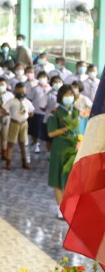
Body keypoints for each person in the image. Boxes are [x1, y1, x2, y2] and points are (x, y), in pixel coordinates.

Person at [46, 85, 80, 219]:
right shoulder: (55, 112)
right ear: (61, 97)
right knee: (58, 179)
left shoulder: (76, 112)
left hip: (73, 149)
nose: (69, 97)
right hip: (59, 149)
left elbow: (79, 130)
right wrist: (66, 128)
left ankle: (71, 207)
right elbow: (51, 133)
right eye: (66, 95)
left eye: (71, 95)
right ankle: (61, 208)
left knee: (71, 180)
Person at [1, 82, 35, 170]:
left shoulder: (27, 102)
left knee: (23, 143)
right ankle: (8, 162)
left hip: (24, 123)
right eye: (19, 91)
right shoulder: (12, 101)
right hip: (14, 123)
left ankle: (24, 162)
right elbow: (3, 109)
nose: (21, 93)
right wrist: (7, 114)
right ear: (15, 91)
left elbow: (31, 112)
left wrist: (27, 116)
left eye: (23, 91)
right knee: (11, 143)